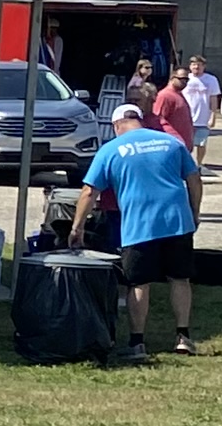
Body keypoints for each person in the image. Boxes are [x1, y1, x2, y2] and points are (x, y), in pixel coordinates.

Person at [78, 100, 202, 358]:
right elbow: (193, 177)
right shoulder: (170, 143)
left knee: (138, 282)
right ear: (139, 120)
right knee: (180, 279)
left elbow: (90, 191)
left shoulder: (111, 149)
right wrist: (194, 211)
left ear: (116, 125)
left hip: (139, 224)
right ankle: (183, 337)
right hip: (177, 220)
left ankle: (137, 343)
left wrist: (77, 227)